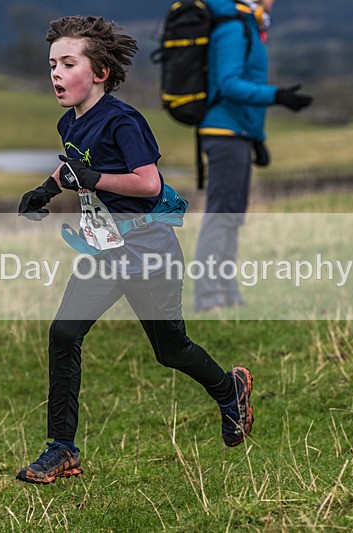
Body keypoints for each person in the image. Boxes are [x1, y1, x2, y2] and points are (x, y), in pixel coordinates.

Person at [14, 15, 254, 485]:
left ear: (100, 72)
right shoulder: (69, 122)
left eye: (68, 63)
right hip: (105, 251)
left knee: (171, 349)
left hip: (149, 248)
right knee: (64, 334)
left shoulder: (124, 121)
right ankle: (61, 448)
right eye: (51, 65)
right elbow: (76, 169)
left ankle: (231, 390)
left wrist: (93, 180)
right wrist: (45, 190)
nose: (56, 74)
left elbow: (149, 183)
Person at [193, 0, 313, 312]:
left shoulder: (247, 25)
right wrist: (277, 96)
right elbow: (229, 84)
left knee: (231, 218)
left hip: (239, 134)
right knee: (220, 217)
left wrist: (257, 139)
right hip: (224, 134)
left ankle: (229, 295)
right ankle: (206, 299)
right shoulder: (233, 28)